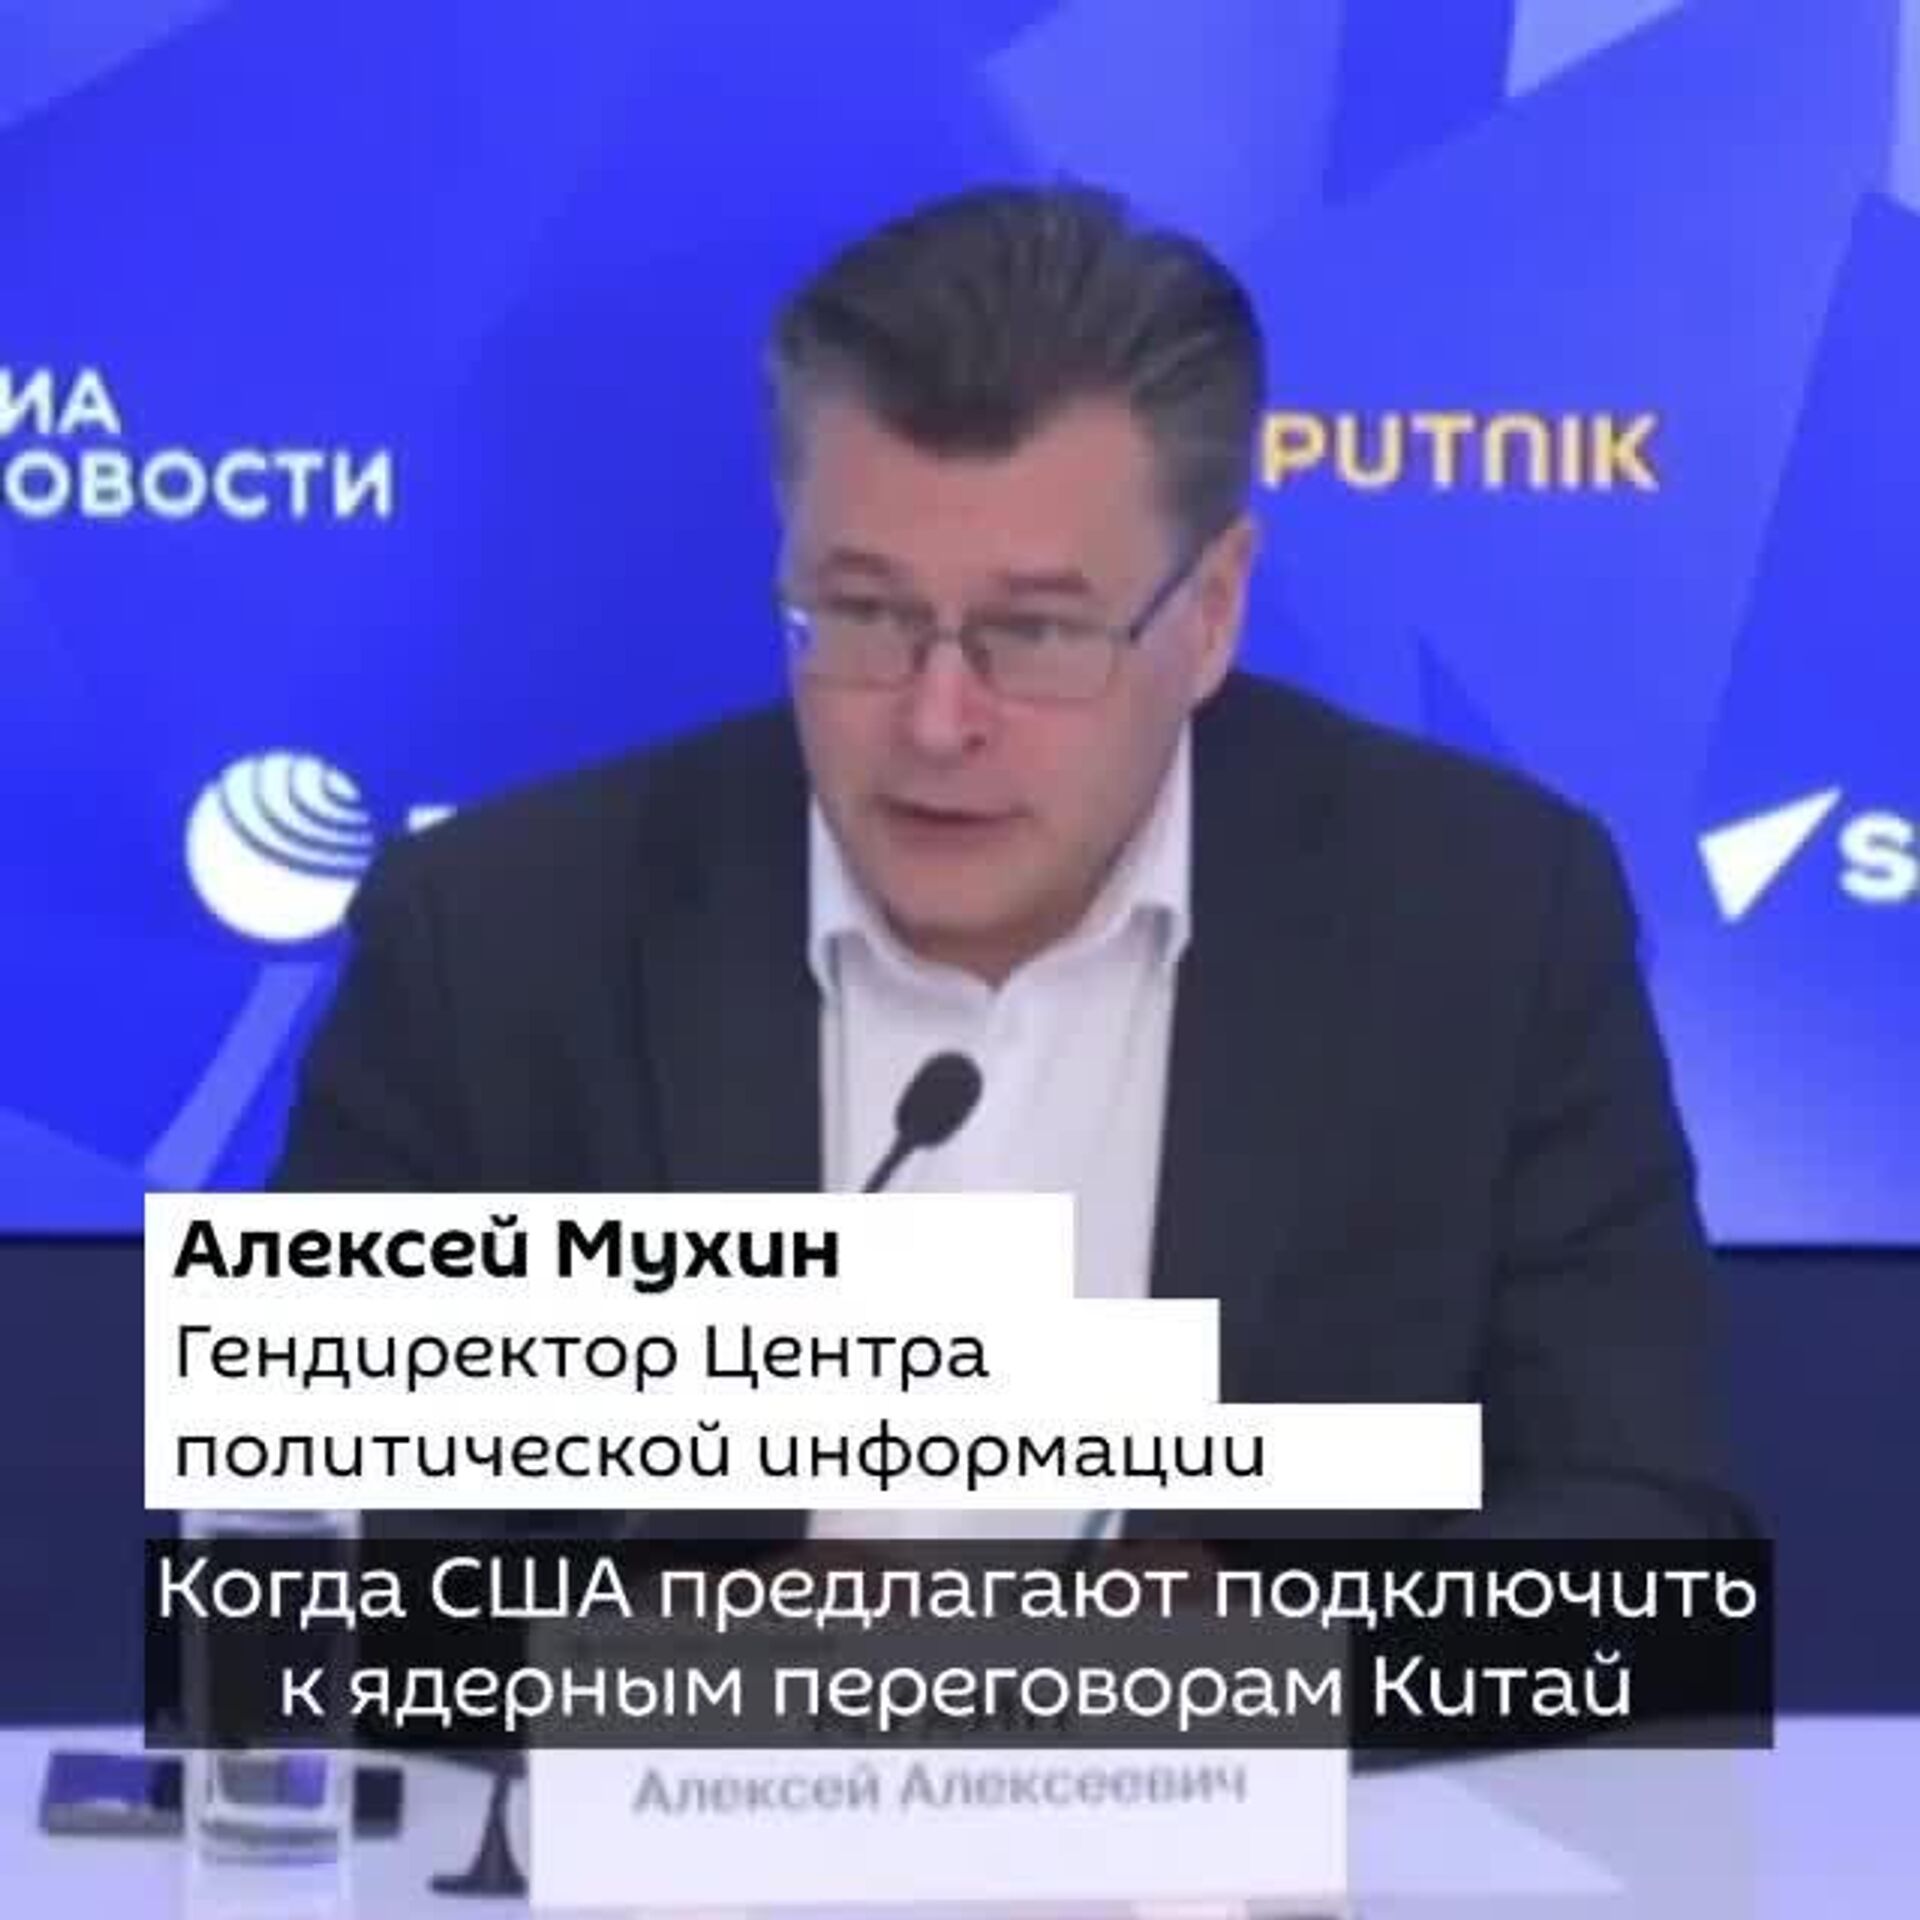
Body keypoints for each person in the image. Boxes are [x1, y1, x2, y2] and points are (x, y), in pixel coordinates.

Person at [273, 183, 1744, 1541]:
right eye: (864, 613)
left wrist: (1265, 1659)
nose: (935, 721)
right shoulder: (501, 946)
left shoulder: (1482, 922)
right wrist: (681, 1657)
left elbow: (1650, 1542)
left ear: (1211, 611)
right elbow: (284, 1572)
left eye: (1033, 632)